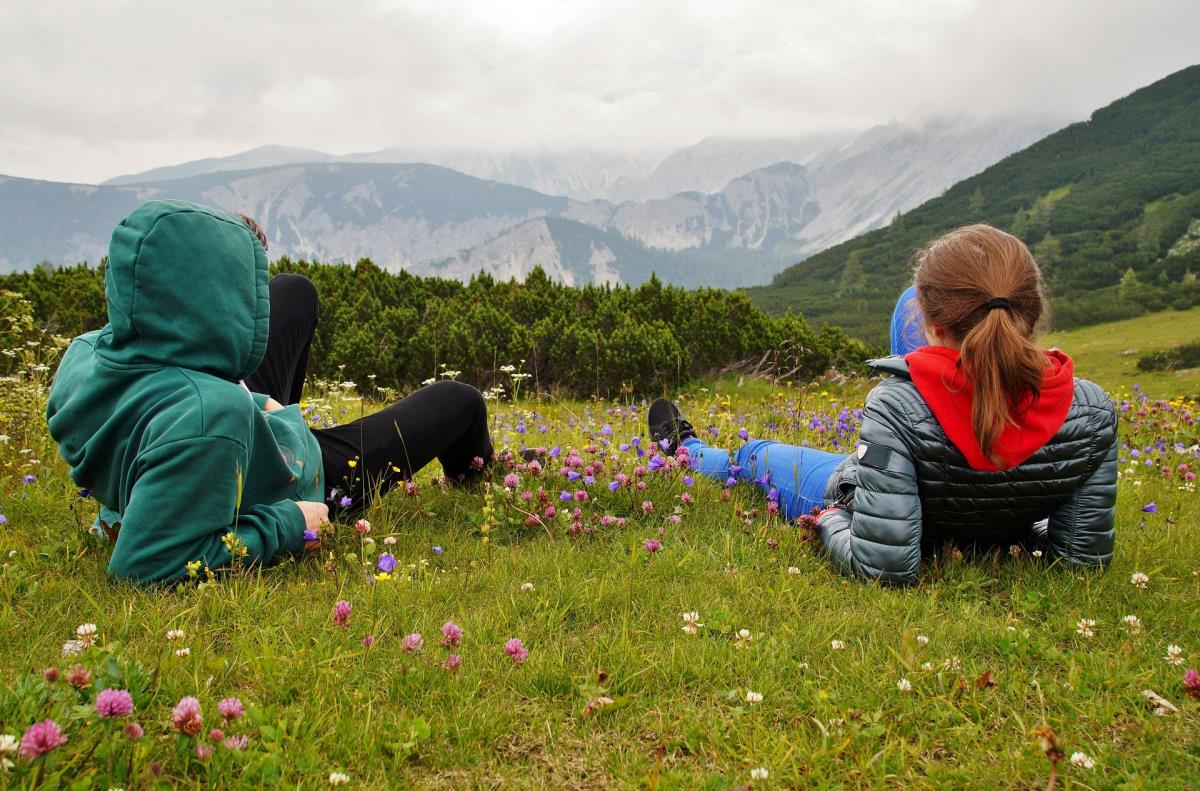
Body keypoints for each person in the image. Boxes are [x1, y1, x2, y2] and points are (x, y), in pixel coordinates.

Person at [47, 200, 493, 584]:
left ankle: (277, 425)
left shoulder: (86, 350)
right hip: (289, 482)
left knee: (294, 292)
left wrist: (259, 403)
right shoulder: (209, 416)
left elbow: (163, 401)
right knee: (460, 401)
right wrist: (290, 522)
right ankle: (476, 472)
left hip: (213, 431)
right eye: (241, 286)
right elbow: (144, 565)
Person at [650, 224, 1117, 586]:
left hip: (881, 493)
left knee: (755, 456)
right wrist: (1011, 535)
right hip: (985, 509)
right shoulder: (1092, 408)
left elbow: (884, 567)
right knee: (908, 319)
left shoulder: (895, 408)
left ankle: (684, 450)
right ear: (1030, 316)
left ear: (933, 328)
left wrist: (830, 521)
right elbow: (1082, 558)